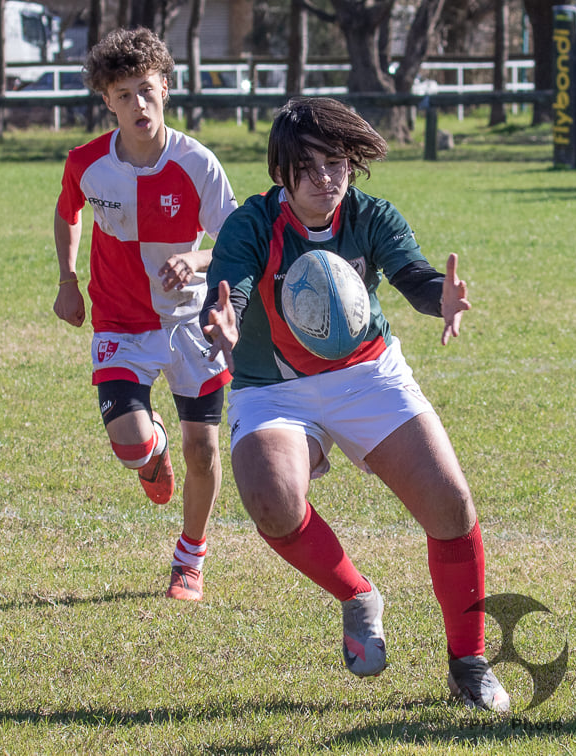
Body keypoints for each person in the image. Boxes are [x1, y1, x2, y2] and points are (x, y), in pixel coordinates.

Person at [200, 97, 510, 712]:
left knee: (451, 505)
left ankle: (468, 665)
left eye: (337, 163)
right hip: (272, 386)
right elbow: (231, 283)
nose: (326, 179)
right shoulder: (253, 224)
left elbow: (412, 275)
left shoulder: (370, 216)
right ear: (282, 173)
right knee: (271, 499)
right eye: (309, 167)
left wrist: (439, 299)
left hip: (367, 373)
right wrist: (225, 318)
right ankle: (357, 594)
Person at [53, 28, 237, 602]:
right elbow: (68, 212)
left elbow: (237, 237)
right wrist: (68, 280)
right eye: (124, 94)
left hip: (190, 321)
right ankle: (152, 452)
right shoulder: (87, 163)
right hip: (119, 321)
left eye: (147, 89)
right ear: (107, 100)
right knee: (132, 446)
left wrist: (198, 257)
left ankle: (190, 557)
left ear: (166, 88)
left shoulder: (196, 163)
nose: (139, 104)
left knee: (203, 450)